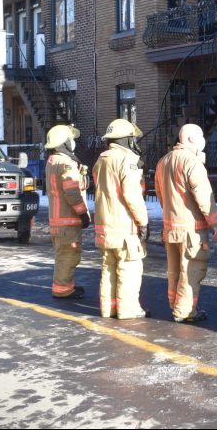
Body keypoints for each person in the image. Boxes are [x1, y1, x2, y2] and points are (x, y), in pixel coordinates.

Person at [154, 123, 217, 323]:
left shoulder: (163, 161)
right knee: (191, 270)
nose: (203, 140)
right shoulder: (192, 163)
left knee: (174, 270)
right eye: (201, 136)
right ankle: (184, 311)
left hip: (170, 227)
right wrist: (214, 222)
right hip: (191, 230)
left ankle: (175, 304)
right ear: (191, 139)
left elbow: (160, 194)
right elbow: (203, 196)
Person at [93, 119, 150, 319]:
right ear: (127, 139)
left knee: (108, 269)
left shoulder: (101, 160)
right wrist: (143, 222)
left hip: (105, 228)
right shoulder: (127, 160)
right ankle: (128, 310)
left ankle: (108, 309)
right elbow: (132, 195)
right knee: (129, 269)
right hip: (125, 228)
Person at [44, 124, 91, 299]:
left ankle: (65, 285)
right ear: (64, 142)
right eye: (71, 140)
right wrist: (83, 213)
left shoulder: (52, 161)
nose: (73, 143)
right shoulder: (66, 162)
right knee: (68, 255)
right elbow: (71, 191)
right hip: (68, 221)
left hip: (57, 221)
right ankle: (63, 289)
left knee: (62, 255)